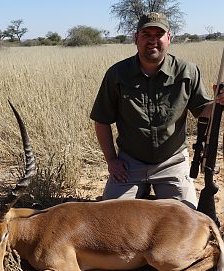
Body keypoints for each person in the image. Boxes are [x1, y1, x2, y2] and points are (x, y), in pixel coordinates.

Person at [90, 12, 224, 209]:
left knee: (184, 221)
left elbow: (202, 110)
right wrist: (111, 160)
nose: (152, 40)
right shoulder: (117, 74)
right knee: (111, 223)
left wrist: (219, 103)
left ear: (168, 38)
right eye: (146, 34)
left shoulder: (187, 71)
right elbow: (101, 120)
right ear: (136, 38)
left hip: (172, 162)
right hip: (129, 164)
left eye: (158, 34)